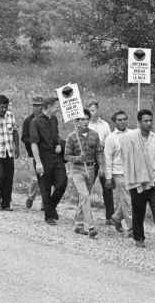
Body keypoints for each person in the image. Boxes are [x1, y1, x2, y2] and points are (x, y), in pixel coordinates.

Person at [120, 109, 155, 248]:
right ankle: (139, 237)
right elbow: (126, 158)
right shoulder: (129, 138)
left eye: (150, 120)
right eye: (145, 121)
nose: (149, 123)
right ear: (139, 122)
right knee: (138, 210)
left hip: (154, 179)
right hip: (137, 180)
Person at [65, 109, 104, 238]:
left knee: (84, 197)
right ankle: (91, 225)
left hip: (91, 168)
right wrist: (77, 158)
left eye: (87, 119)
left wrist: (102, 166)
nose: (85, 122)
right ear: (77, 121)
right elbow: (66, 156)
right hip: (77, 169)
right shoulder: (72, 136)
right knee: (85, 195)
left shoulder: (94, 134)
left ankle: (78, 224)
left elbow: (99, 152)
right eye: (82, 119)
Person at [30, 97, 67, 225]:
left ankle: (50, 207)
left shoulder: (54, 119)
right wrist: (38, 162)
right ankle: (49, 216)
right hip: (42, 156)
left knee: (62, 183)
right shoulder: (35, 122)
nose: (58, 109)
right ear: (49, 106)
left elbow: (56, 136)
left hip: (55, 156)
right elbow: (34, 144)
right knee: (45, 188)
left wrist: (60, 145)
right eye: (56, 106)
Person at [104, 110, 132, 236]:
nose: (122, 122)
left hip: (132, 173)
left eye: (124, 119)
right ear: (114, 122)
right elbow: (108, 158)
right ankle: (133, 228)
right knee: (128, 200)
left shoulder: (133, 134)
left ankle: (116, 216)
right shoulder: (111, 138)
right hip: (119, 173)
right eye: (119, 120)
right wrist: (109, 177)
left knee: (131, 200)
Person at [87, 100, 115, 225]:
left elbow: (110, 140)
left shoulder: (105, 125)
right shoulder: (85, 124)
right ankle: (83, 214)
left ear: (98, 110)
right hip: (90, 157)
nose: (91, 113)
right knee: (87, 186)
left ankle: (110, 216)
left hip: (103, 157)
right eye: (89, 111)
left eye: (92, 110)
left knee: (107, 186)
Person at [22, 96, 45, 209]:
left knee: (47, 177)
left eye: (39, 106)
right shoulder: (28, 120)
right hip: (34, 152)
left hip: (46, 152)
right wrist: (34, 142)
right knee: (37, 178)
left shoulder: (47, 118)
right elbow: (24, 137)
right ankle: (31, 197)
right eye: (34, 106)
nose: (36, 108)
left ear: (43, 106)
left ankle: (44, 202)